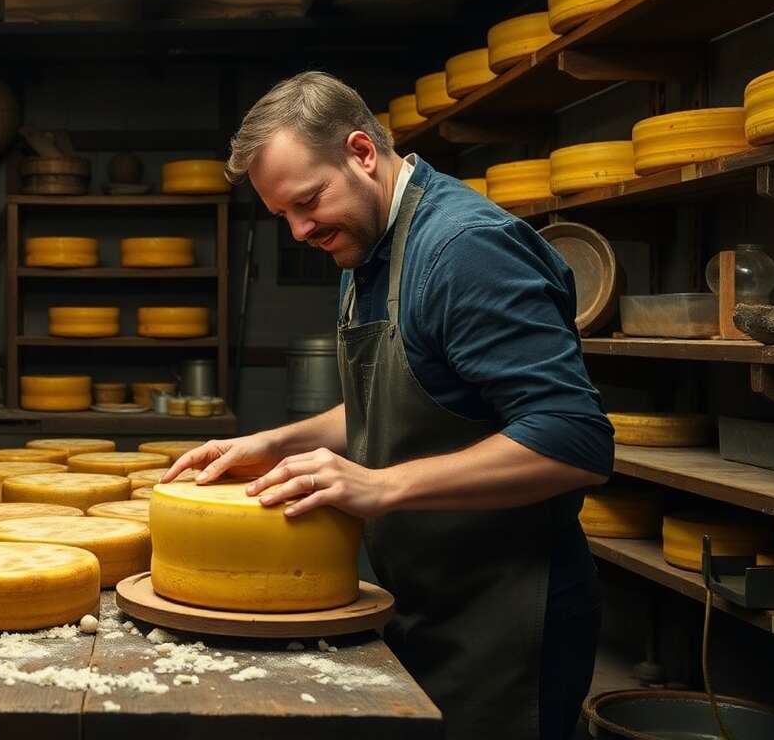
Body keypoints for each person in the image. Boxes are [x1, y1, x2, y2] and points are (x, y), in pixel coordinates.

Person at [162, 71, 613, 740]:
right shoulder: (367, 247)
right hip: (427, 598)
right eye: (282, 214)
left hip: (507, 617)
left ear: (362, 152)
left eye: (308, 201)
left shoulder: (464, 249)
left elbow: (573, 438)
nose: (298, 230)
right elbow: (402, 398)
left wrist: (381, 484)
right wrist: (277, 442)